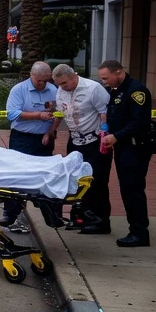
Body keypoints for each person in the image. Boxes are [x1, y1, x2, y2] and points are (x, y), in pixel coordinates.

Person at [48, 64, 112, 233]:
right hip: (75, 140)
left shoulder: (93, 89)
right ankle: (81, 216)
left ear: (73, 76)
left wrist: (105, 136)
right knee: (77, 180)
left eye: (64, 83)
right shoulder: (61, 91)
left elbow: (104, 112)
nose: (62, 87)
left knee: (96, 181)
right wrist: (52, 130)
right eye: (59, 84)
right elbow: (61, 112)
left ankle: (101, 221)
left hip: (95, 140)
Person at [98, 59, 155, 247]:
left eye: (106, 78)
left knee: (133, 188)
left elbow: (140, 123)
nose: (104, 82)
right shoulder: (117, 90)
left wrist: (117, 136)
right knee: (126, 188)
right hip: (123, 146)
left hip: (135, 148)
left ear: (118, 73)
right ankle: (135, 228)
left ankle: (139, 233)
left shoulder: (136, 92)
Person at [0, 62, 63, 229]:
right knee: (17, 175)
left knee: (46, 174)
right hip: (22, 138)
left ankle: (52, 214)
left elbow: (59, 114)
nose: (42, 84)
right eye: (39, 81)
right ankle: (11, 214)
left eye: (45, 80)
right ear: (31, 75)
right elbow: (12, 114)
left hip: (44, 138)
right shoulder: (19, 90)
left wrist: (50, 131)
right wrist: (38, 116)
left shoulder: (54, 91)